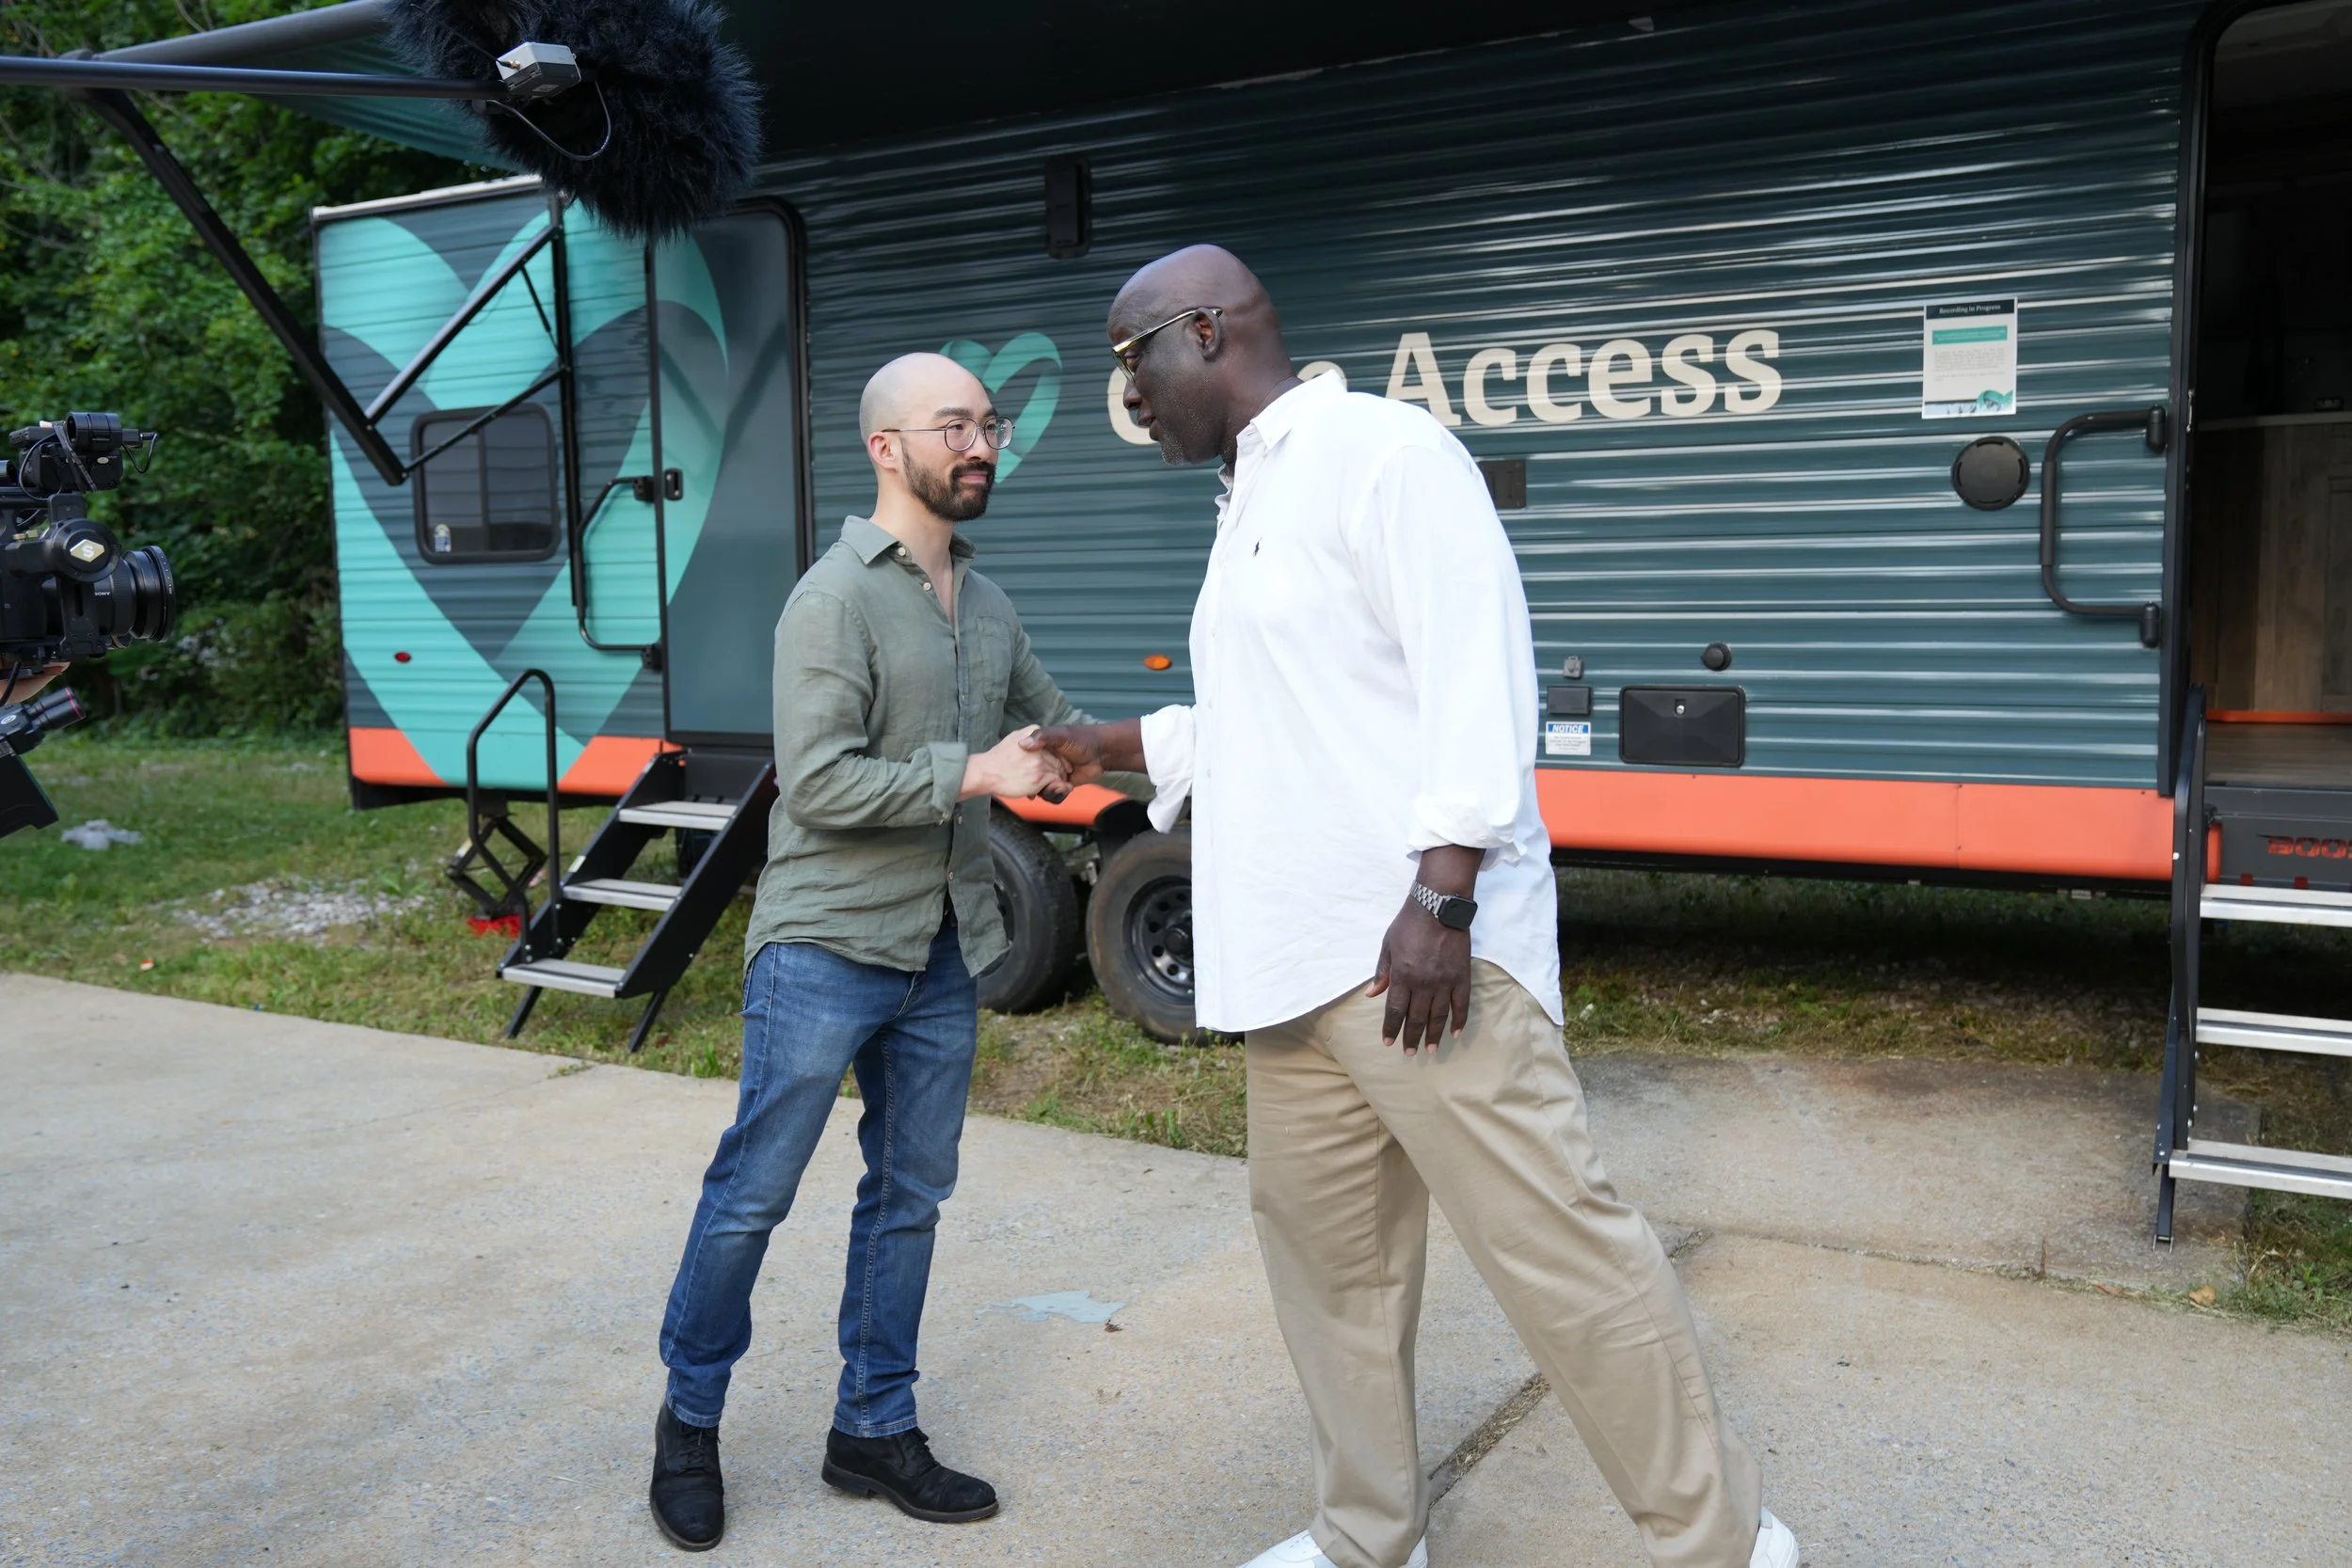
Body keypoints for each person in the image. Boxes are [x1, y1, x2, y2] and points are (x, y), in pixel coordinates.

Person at [1028, 247, 1799, 1568]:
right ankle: (1367, 1534)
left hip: (1413, 959)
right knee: (1334, 1280)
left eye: (1130, 359)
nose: (1128, 395)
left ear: (1205, 330)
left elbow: (1474, 675)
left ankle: (1722, 1541)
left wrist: (1443, 899)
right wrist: (1110, 741)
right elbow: (1287, 724)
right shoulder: (1250, 491)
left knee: (1564, 1256)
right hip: (1291, 965)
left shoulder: (1385, 452)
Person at [647, 352, 1082, 1552]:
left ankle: (872, 1427)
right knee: (753, 1194)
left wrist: (1127, 752)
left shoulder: (986, 603)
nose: (982, 442)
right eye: (956, 425)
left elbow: (1049, 722)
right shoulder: (831, 597)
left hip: (944, 944)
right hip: (824, 943)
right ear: (888, 449)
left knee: (909, 1197)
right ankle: (689, 1419)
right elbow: (823, 779)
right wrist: (976, 770)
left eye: (988, 423)